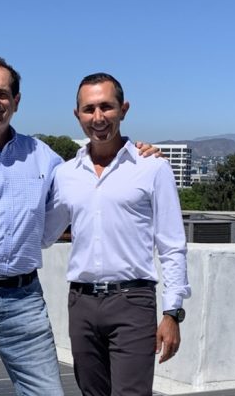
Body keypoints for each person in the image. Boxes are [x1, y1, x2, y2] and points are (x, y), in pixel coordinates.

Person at [0, 57, 159, 396]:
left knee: (47, 390)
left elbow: (88, 175)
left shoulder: (44, 158)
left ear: (16, 101)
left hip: (23, 298)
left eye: (3, 94)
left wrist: (136, 152)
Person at [43, 72, 191, 396]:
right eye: (89, 109)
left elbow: (171, 245)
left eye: (106, 107)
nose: (98, 118)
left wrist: (172, 312)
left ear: (123, 109)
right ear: (77, 115)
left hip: (133, 302)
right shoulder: (66, 174)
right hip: (80, 303)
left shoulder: (152, 167)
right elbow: (43, 235)